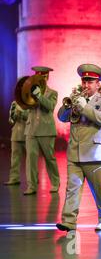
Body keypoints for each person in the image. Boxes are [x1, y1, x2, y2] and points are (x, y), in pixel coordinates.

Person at [56, 64, 101, 232]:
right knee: (72, 189)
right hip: (75, 152)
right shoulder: (75, 98)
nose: (86, 85)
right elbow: (61, 117)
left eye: (90, 82)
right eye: (84, 81)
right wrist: (68, 106)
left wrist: (85, 107)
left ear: (98, 84)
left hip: (95, 154)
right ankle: (69, 221)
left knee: (99, 191)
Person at [24, 66, 60, 195]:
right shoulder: (29, 91)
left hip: (46, 130)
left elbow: (49, 107)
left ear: (47, 77)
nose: (41, 79)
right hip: (31, 129)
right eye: (38, 77)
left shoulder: (53, 93)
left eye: (44, 77)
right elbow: (24, 106)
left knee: (49, 158)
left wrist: (39, 95)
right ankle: (31, 186)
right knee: (30, 159)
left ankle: (55, 183)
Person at [4, 101, 29, 185]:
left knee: (31, 159)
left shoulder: (31, 102)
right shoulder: (14, 103)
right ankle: (14, 178)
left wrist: (21, 111)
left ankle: (33, 179)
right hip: (16, 134)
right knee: (14, 159)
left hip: (28, 134)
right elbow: (11, 120)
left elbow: (30, 118)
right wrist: (14, 114)